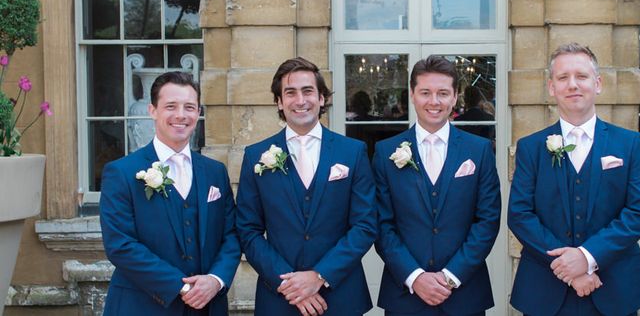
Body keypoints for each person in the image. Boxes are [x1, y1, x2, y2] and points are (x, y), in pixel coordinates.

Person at [508, 43, 640, 316]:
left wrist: (586, 257)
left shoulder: (628, 143)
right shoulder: (530, 147)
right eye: (563, 78)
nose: (572, 84)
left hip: (614, 287)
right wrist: (568, 268)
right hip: (546, 291)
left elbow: (639, 212)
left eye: (582, 76)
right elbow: (519, 214)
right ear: (552, 87)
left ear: (597, 84)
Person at [237, 57, 376, 316]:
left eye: (308, 91)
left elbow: (365, 225)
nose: (300, 100)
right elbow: (248, 230)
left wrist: (319, 276)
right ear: (279, 101)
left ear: (322, 98)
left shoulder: (353, 152)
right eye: (290, 93)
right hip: (280, 299)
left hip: (341, 296)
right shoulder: (256, 156)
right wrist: (288, 284)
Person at [100, 71, 241, 315]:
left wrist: (215, 280)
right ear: (152, 110)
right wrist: (181, 288)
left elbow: (231, 235)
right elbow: (120, 245)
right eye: (171, 106)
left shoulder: (215, 172)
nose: (181, 115)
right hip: (143, 306)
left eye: (189, 107)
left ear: (198, 113)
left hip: (208, 306)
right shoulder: (121, 172)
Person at [373, 55, 501, 316]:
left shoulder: (479, 151)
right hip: (405, 296)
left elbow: (487, 221)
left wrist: (452, 276)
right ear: (412, 95)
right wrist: (415, 276)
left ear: (455, 97)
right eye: (425, 92)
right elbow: (380, 224)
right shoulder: (385, 152)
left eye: (443, 93)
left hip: (465, 295)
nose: (434, 101)